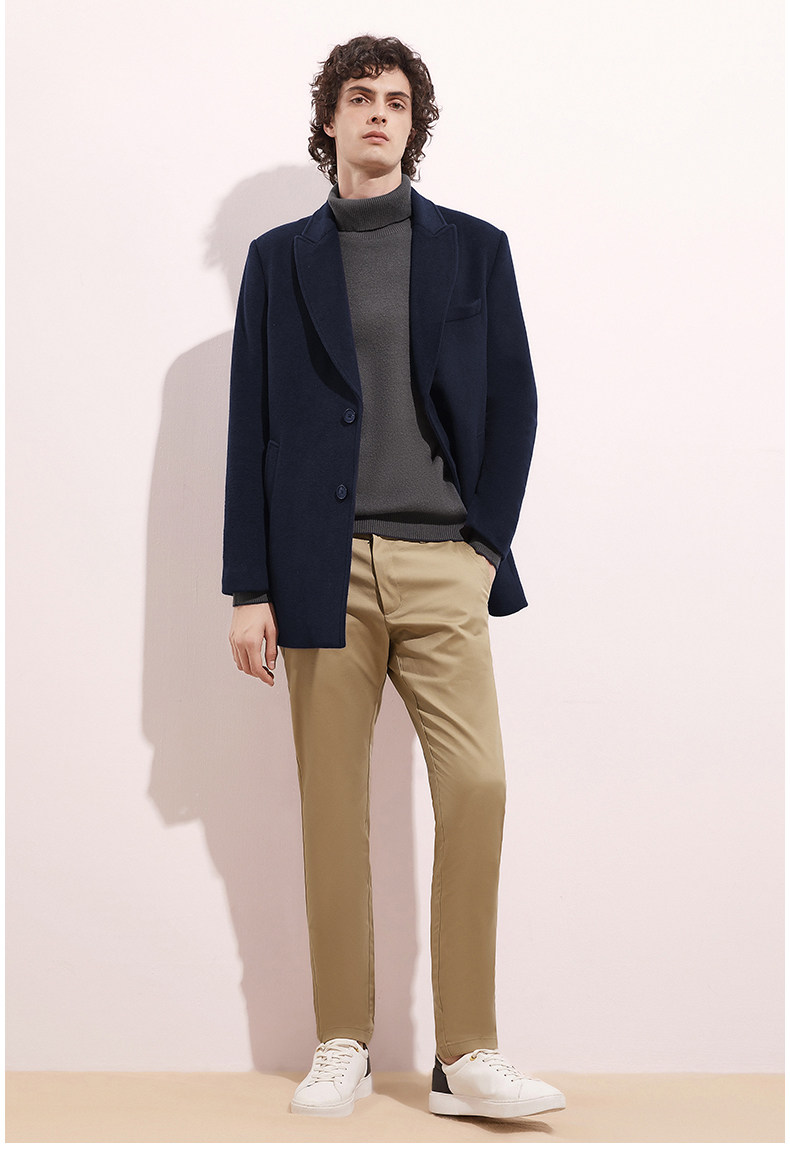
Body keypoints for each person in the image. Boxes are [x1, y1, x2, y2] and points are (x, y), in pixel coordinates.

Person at [222, 33, 566, 1121]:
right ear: (328, 120)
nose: (379, 112)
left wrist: (481, 546)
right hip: (319, 571)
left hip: (442, 565)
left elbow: (514, 402)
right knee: (333, 810)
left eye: (398, 100)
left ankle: (467, 1055)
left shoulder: (474, 250)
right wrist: (248, 586)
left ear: (415, 126)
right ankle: (344, 1041)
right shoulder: (280, 261)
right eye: (360, 97)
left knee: (478, 786)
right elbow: (252, 426)